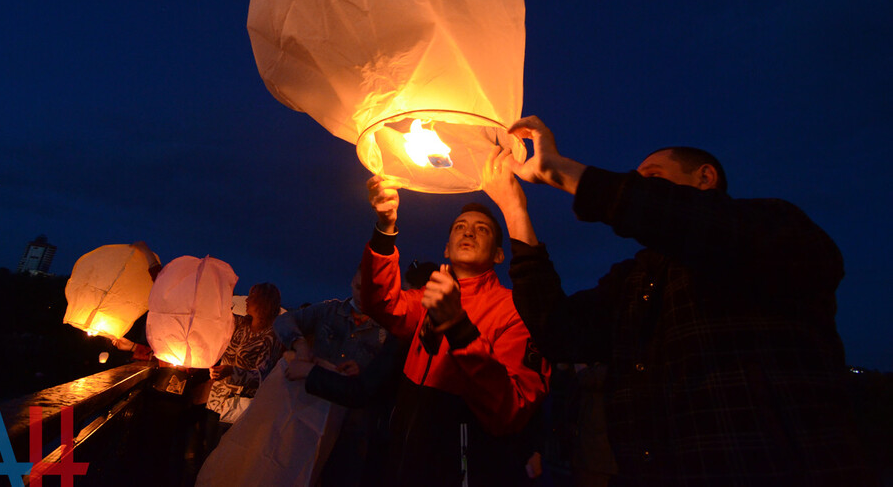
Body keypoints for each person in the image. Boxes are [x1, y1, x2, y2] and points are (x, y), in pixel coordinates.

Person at [483, 114, 873, 486]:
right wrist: (514, 209)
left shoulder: (772, 227)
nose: (640, 190)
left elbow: (686, 218)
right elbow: (558, 330)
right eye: (637, 184)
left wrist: (560, 170)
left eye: (652, 179)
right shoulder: (634, 279)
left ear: (705, 178)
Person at [364, 177, 551, 486]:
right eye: (460, 226)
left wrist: (459, 327)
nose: (468, 231)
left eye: (483, 229)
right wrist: (385, 227)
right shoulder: (429, 295)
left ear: (498, 255)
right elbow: (381, 303)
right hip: (404, 453)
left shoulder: (514, 310)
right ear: (447, 249)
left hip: (465, 464)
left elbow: (512, 408)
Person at [273, 270, 387, 486]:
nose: (363, 296)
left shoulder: (385, 328)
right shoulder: (329, 311)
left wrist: (364, 371)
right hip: (310, 415)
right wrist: (301, 345)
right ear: (352, 282)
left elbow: (386, 376)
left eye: (370, 291)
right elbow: (283, 321)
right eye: (359, 287)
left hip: (352, 428)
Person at [205, 282, 283, 426]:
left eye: (251, 297)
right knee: (208, 444)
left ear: (264, 302)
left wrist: (231, 371)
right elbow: (216, 314)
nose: (246, 300)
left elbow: (262, 376)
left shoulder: (271, 336)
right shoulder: (239, 324)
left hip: (239, 406)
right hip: (217, 399)